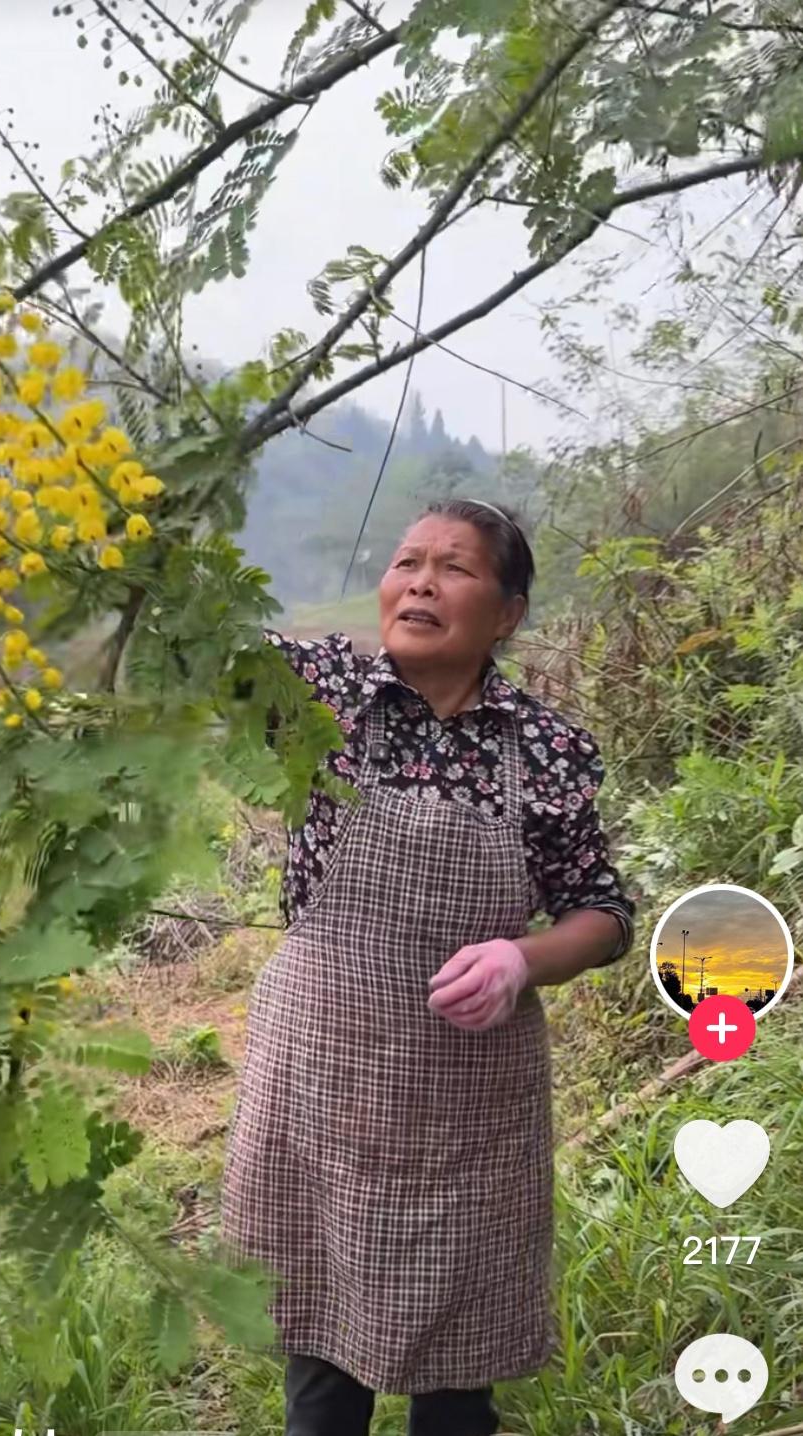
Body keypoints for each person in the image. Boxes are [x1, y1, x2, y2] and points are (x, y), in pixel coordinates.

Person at [219, 498, 636, 1436]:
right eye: (406, 562)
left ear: (508, 613)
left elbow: (604, 913)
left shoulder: (548, 749)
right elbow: (197, 652)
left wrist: (521, 958)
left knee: (459, 1379)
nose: (419, 582)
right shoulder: (319, 691)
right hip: (322, 1081)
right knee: (322, 1367)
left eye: (454, 567)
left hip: (468, 1108)